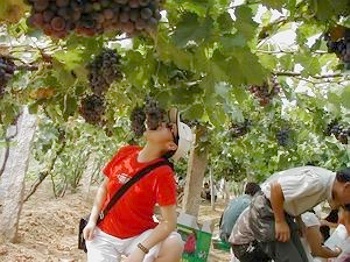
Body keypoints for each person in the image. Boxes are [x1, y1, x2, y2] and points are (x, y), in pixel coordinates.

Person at [83, 107, 193, 262]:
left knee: (174, 244)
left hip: (137, 237)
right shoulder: (126, 152)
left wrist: (141, 250)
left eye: (170, 128)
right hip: (104, 235)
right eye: (166, 122)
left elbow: (170, 222)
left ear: (171, 146)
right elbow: (103, 187)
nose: (162, 124)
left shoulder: (163, 173)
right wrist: (92, 221)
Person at [230, 166, 350, 262]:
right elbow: (276, 188)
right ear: (347, 187)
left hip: (279, 211)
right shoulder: (318, 181)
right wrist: (279, 221)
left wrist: (299, 220)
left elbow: (295, 199)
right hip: (267, 210)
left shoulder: (325, 185)